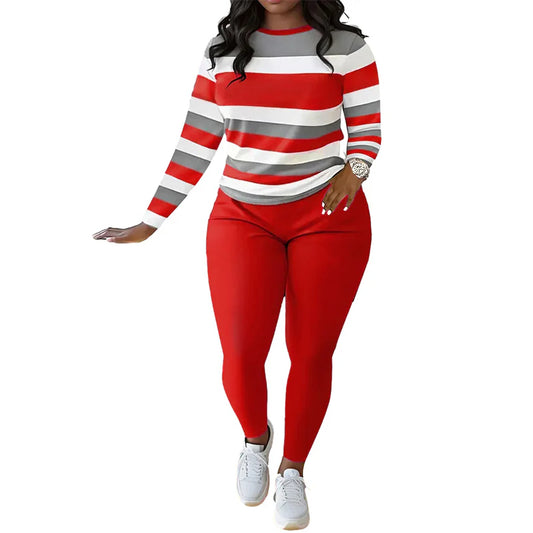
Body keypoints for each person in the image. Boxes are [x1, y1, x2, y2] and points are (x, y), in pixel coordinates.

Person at [92, 0, 381, 529]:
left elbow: (367, 126)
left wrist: (356, 169)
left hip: (328, 214)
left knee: (310, 352)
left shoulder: (346, 47)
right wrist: (151, 220)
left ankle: (293, 470)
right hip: (242, 215)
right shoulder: (223, 51)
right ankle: (255, 439)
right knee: (242, 353)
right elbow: (195, 141)